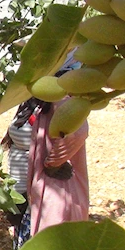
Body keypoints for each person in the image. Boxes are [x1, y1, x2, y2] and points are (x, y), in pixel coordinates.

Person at [27, 57, 90, 236]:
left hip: (60, 190)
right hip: (53, 189)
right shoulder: (52, 99)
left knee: (55, 244)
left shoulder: (62, 97)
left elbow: (78, 131)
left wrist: (54, 162)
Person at [2, 98, 38, 249]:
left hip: (31, 186)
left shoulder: (46, 112)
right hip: (17, 182)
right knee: (19, 223)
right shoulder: (27, 106)